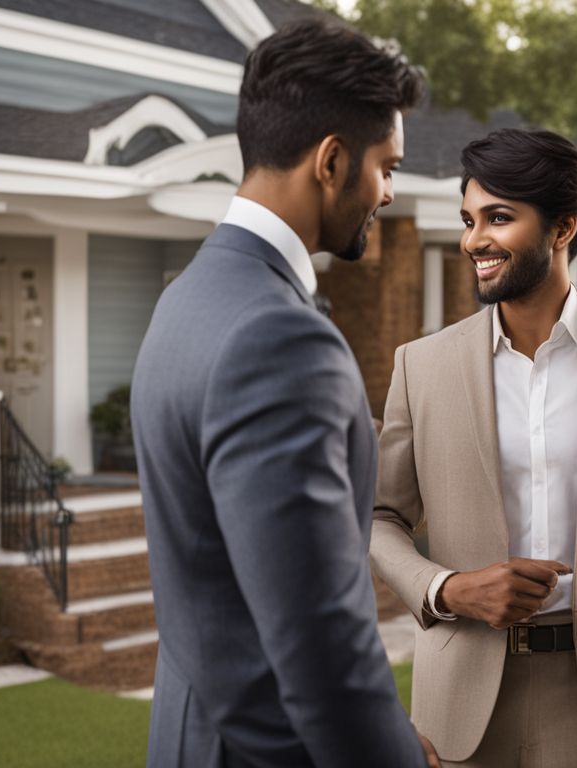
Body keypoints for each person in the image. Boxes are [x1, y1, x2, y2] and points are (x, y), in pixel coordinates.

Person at [131, 20, 438, 768]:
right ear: (332, 161)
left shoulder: (187, 298)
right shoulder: (277, 339)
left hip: (189, 735)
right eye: (386, 166)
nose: (389, 193)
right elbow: (322, 646)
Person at [370, 128, 577, 766]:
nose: (473, 240)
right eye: (468, 220)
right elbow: (376, 517)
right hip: (461, 702)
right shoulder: (420, 366)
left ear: (563, 227)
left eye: (499, 218)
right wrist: (446, 588)